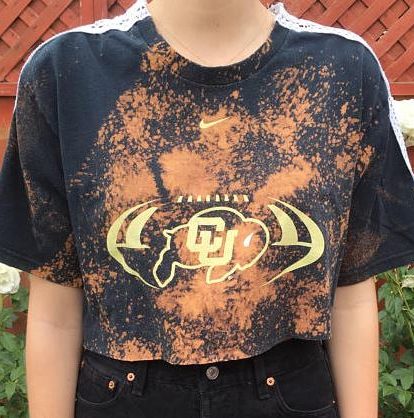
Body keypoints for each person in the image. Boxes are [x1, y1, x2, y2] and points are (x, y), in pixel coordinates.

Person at [0, 0, 413, 417]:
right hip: (123, 392)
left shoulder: (341, 70)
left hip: (290, 388)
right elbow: (55, 312)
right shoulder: (67, 71)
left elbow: (351, 293)